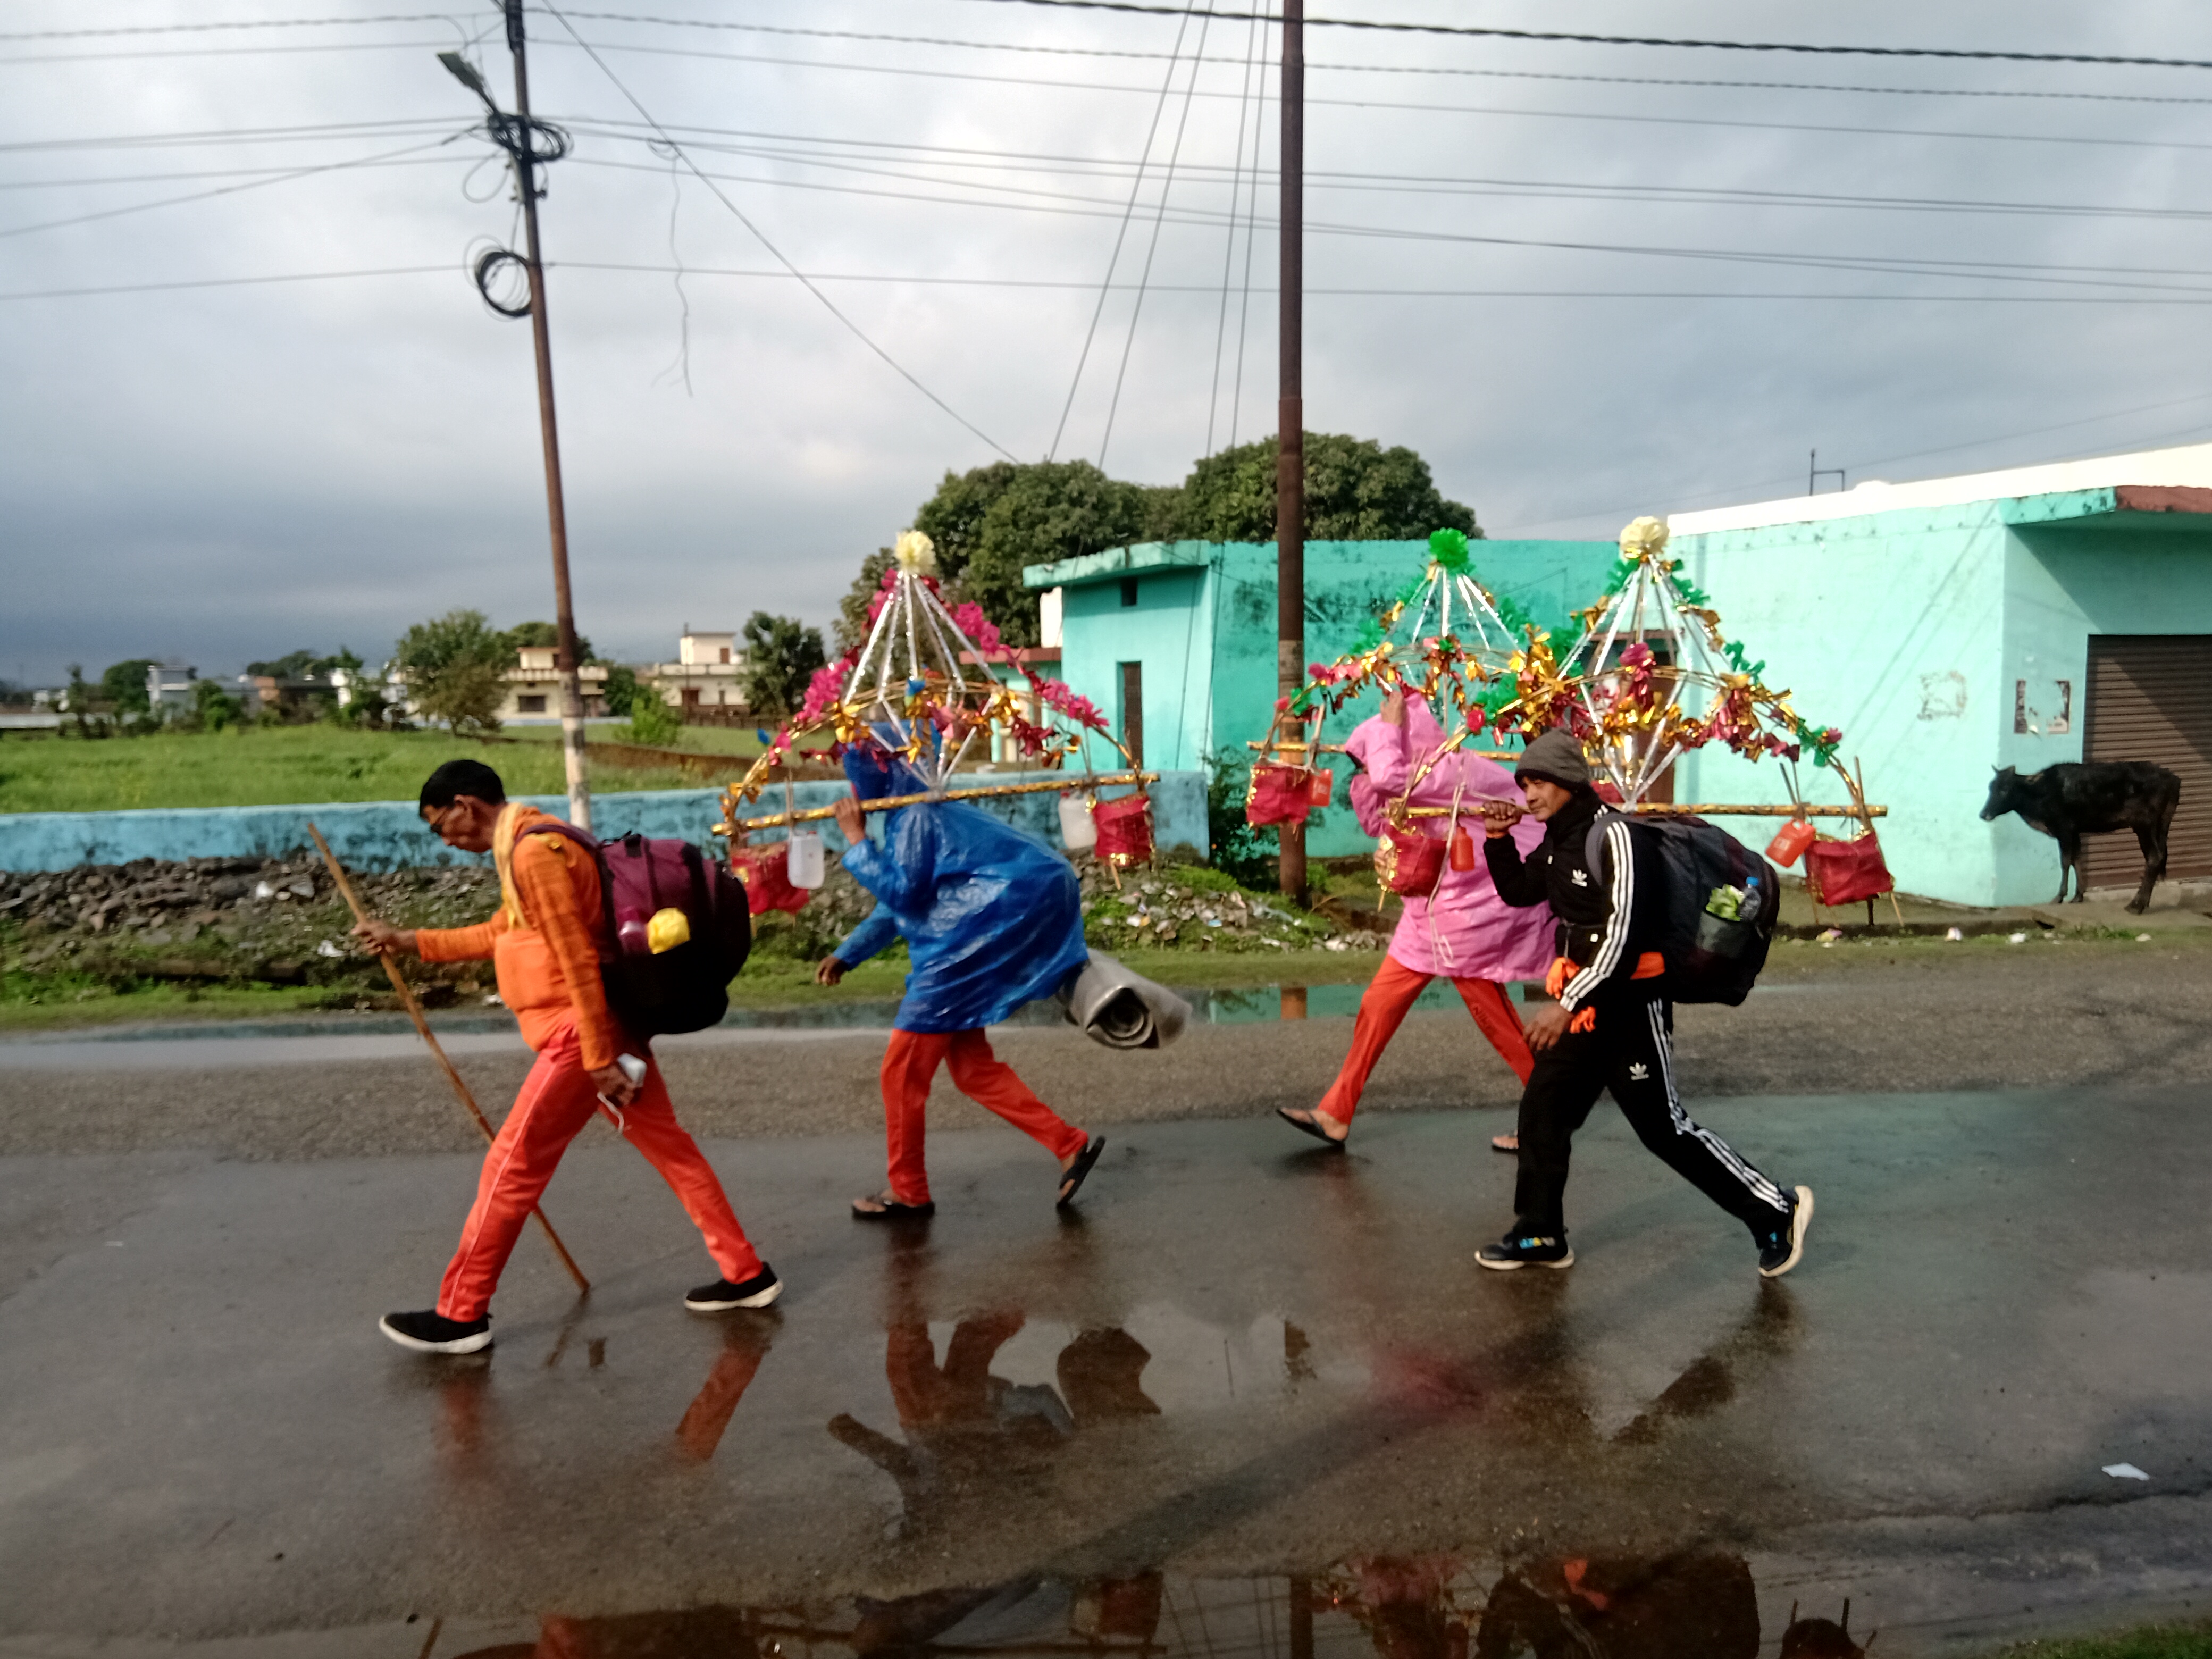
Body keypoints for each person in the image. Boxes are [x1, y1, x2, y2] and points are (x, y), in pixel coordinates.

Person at [357, 759, 780, 1355]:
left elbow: (576, 957)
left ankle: (461, 1314)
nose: (447, 839)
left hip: (579, 1037)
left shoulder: (534, 853)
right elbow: (505, 933)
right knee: (671, 1149)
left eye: (440, 826)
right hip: (605, 1028)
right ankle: (746, 1274)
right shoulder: (535, 844)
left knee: (511, 1167)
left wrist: (597, 1057)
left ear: (465, 805)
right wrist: (410, 941)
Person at [1474, 730, 1812, 1276]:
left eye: (1536, 783)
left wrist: (1565, 1003)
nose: (1527, 794)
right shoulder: (1558, 840)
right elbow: (1519, 891)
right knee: (1543, 1111)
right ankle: (1539, 1233)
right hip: (1582, 1003)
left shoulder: (1618, 840)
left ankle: (1774, 1208)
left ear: (1566, 783)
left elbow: (1625, 934)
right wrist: (1495, 839)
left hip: (1630, 1003)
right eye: (1523, 784)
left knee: (1663, 1128)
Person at [819, 737, 1105, 1218]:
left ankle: (908, 1191)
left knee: (901, 1073)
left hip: (964, 948)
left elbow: (905, 896)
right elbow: (904, 902)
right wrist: (849, 954)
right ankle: (1068, 1144)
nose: (854, 784)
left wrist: (855, 841)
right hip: (973, 938)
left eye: (857, 770)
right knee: (974, 1071)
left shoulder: (915, 817)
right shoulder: (921, 813)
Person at [1278, 687, 1554, 1149]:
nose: (1368, 765)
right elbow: (1377, 813)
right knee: (1377, 1006)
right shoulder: (1411, 772)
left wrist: (1388, 730)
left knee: (1496, 1021)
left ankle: (1549, 1114)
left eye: (1372, 753)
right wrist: (1364, 769)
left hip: (1473, 913)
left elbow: (1391, 780)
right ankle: (1335, 1113)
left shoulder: (1452, 767)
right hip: (1431, 912)